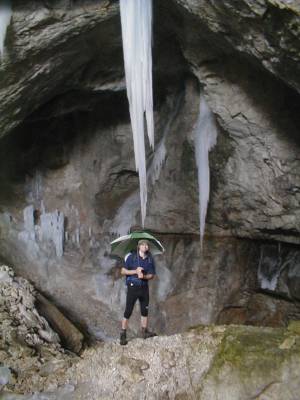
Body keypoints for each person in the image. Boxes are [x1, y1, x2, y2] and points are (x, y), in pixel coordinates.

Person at [120, 239, 157, 345]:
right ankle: (123, 334)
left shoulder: (149, 259)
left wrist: (144, 276)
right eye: (144, 245)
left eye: (147, 245)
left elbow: (152, 274)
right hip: (133, 287)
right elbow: (123, 271)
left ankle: (144, 332)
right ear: (139, 246)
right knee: (128, 311)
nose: (146, 247)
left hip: (144, 288)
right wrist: (135, 271)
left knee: (144, 310)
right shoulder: (131, 257)